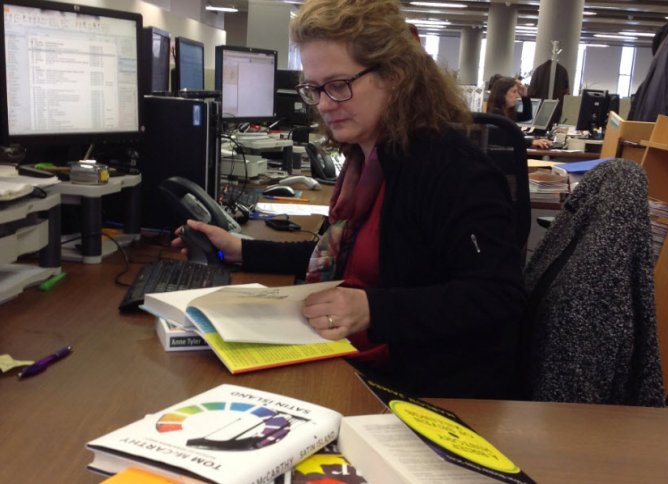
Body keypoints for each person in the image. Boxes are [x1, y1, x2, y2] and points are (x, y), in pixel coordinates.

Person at [173, 0, 526, 399]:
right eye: (315, 89)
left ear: (395, 76)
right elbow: (348, 259)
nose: (323, 104)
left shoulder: (450, 168)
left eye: (338, 86)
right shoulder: (368, 158)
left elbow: (498, 294)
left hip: (418, 388)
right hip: (355, 358)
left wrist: (372, 309)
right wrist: (241, 250)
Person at [487, 76, 552, 149]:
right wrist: (530, 142)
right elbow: (505, 139)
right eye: (514, 92)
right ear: (503, 94)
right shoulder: (496, 114)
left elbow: (527, 116)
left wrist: (524, 96)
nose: (516, 96)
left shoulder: (507, 112)